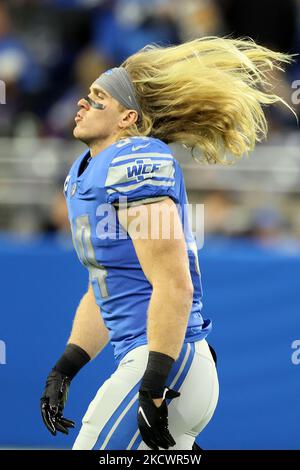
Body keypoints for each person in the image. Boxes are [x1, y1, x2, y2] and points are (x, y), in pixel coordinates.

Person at [40, 36, 293, 450]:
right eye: (87, 95)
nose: (83, 103)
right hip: (163, 363)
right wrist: (65, 368)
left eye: (99, 98)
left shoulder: (133, 161)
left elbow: (174, 283)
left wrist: (153, 384)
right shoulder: (86, 174)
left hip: (168, 363)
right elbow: (106, 285)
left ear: (128, 118)